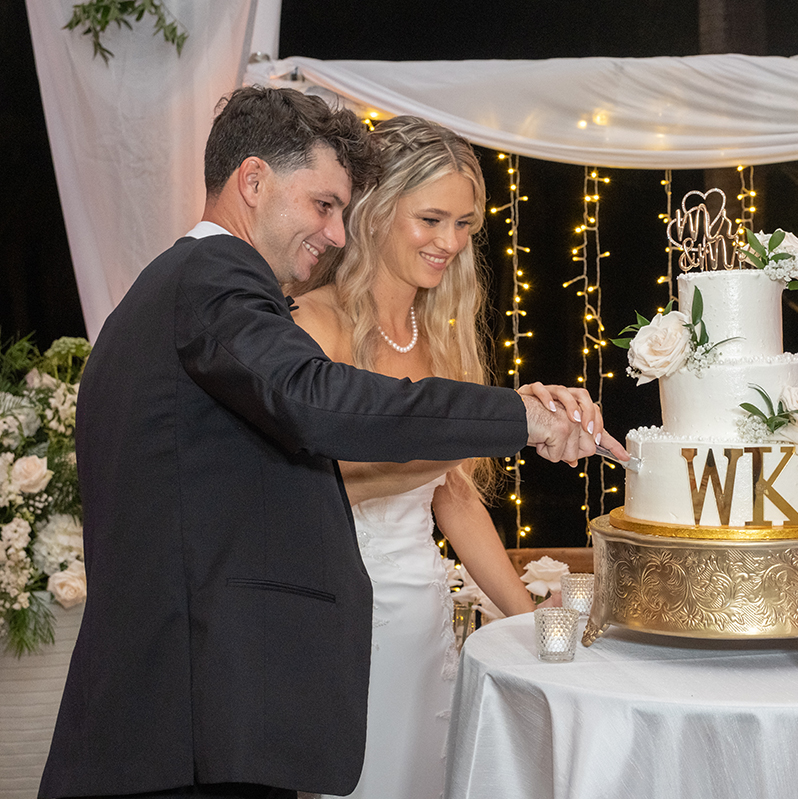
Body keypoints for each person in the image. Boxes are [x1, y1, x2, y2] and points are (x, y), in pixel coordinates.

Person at [38, 87, 625, 799]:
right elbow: (319, 400)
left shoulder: (170, 288)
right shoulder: (213, 276)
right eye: (322, 205)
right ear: (253, 182)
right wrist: (520, 417)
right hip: (190, 716)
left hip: (178, 709)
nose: (338, 235)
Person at [288, 115, 592, 798]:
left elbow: (454, 495)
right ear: (373, 211)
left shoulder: (439, 335)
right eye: (431, 219)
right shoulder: (314, 322)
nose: (450, 242)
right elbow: (327, 485)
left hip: (425, 617)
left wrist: (531, 624)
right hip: (346, 617)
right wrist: (495, 427)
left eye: (464, 225)